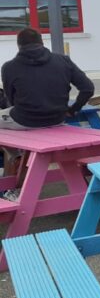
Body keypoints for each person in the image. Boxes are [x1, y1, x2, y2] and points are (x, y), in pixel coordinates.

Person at [0, 28, 94, 191]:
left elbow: (10, 100)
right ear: (42, 42)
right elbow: (87, 88)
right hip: (57, 118)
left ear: (19, 45)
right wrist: (73, 110)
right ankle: (18, 156)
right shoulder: (63, 61)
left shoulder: (9, 67)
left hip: (24, 119)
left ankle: (15, 156)